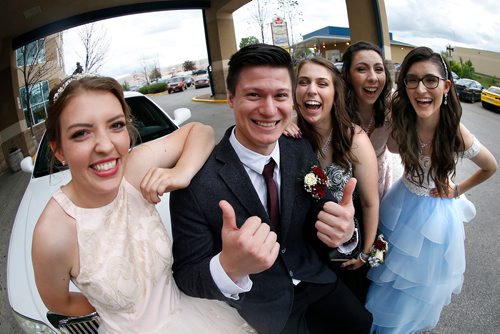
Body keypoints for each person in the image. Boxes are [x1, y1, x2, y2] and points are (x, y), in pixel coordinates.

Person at [170, 44, 373, 334]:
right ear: (230, 98)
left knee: (361, 324)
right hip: (261, 309)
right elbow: (187, 274)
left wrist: (345, 234)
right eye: (254, 95)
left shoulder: (299, 148)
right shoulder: (195, 183)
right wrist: (229, 266)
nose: (268, 109)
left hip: (318, 282)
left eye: (280, 96)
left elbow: (325, 212)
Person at [31, 75, 254, 333]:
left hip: (194, 316)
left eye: (115, 125)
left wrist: (181, 172)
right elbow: (60, 302)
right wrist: (114, 311)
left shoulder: (133, 172)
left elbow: (200, 131)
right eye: (81, 133)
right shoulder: (52, 234)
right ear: (58, 150)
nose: (105, 146)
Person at [365, 47, 497, 333]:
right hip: (400, 202)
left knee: (414, 284)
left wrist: (458, 188)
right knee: (386, 276)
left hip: (434, 217)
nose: (421, 88)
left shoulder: (454, 131)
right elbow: (390, 147)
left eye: (430, 80)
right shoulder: (404, 118)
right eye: (412, 80)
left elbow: (490, 166)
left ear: (446, 86)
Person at [288, 56, 379, 302]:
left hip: (346, 246)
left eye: (322, 83)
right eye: (303, 82)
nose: (311, 90)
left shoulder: (355, 139)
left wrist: (365, 252)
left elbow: (371, 202)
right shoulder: (287, 135)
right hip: (305, 252)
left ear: (335, 93)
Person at [341, 41, 394, 199]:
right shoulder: (336, 105)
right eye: (361, 69)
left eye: (379, 69)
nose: (373, 78)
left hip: (380, 178)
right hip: (345, 182)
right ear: (348, 75)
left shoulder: (392, 104)